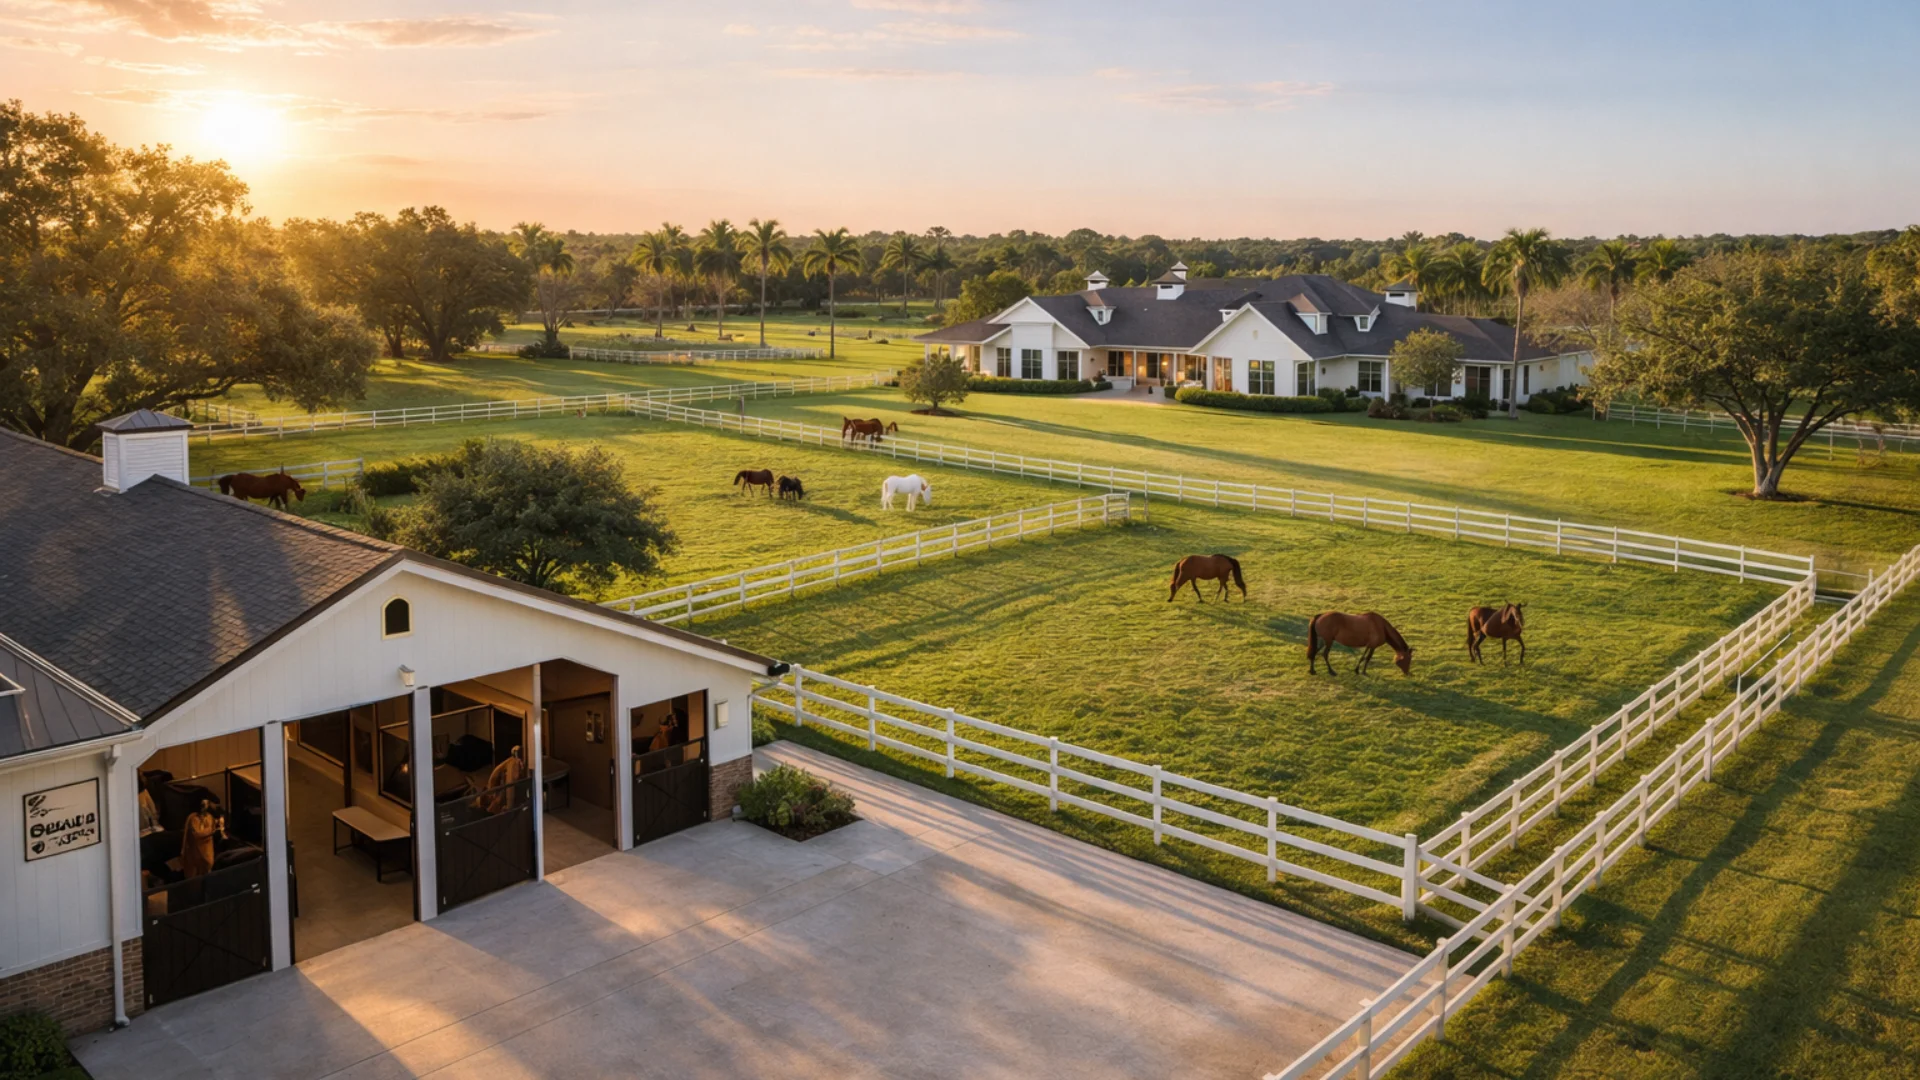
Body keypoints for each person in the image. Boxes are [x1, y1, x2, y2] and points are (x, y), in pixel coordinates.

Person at [180, 798, 223, 878]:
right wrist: (211, 830)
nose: (203, 807)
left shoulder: (209, 817)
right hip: (195, 850)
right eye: (202, 805)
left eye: (205, 805)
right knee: (193, 874)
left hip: (206, 849)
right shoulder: (193, 818)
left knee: (207, 868)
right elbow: (197, 834)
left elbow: (212, 828)